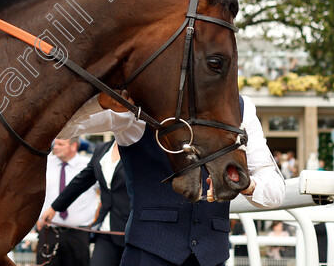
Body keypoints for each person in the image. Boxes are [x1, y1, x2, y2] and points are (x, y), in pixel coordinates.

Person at [57, 94, 286, 266]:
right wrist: (100, 102)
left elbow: (275, 191)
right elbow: (61, 127)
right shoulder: (135, 103)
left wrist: (247, 185)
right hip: (147, 254)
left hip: (212, 255)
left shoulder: (241, 108)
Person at [39, 139, 130, 265]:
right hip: (105, 231)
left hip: (131, 232)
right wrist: (54, 207)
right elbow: (80, 182)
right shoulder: (101, 149)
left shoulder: (140, 150)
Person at [36, 138, 99, 266]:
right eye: (55, 143)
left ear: (74, 146)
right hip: (49, 232)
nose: (55, 147)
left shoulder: (89, 166)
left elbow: (106, 193)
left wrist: (97, 219)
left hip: (78, 235)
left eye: (61, 144)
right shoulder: (44, 164)